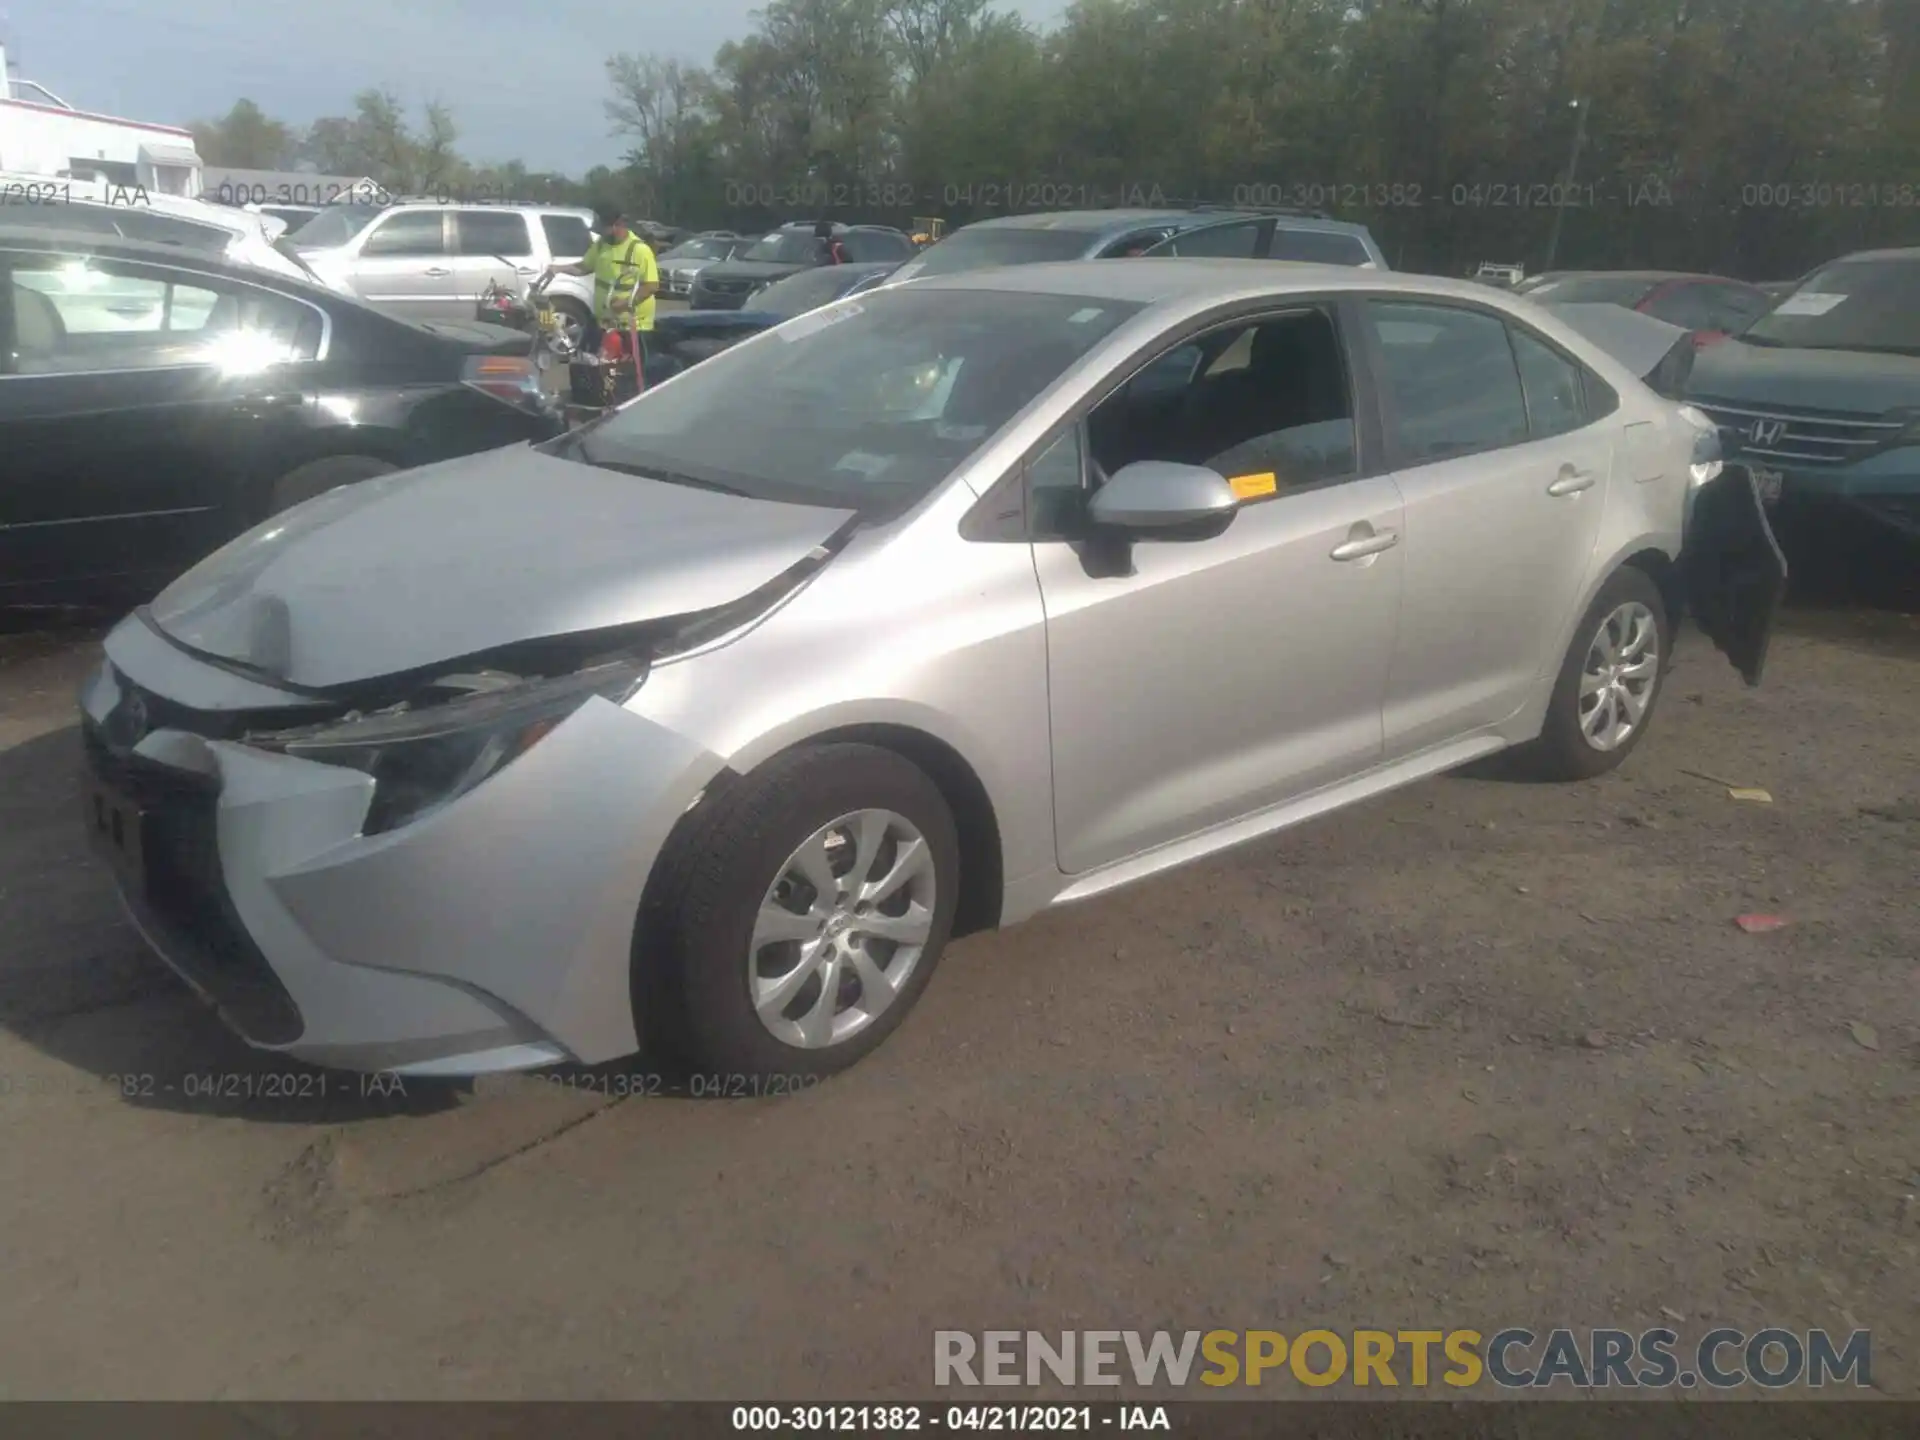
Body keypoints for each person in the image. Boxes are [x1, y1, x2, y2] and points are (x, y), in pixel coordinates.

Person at [544, 208, 659, 354]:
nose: (600, 234)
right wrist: (558, 269)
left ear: (617, 226)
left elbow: (651, 286)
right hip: (605, 320)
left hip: (633, 326)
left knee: (628, 369)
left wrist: (626, 303)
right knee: (595, 362)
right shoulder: (601, 245)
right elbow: (583, 267)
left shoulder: (640, 250)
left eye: (603, 229)